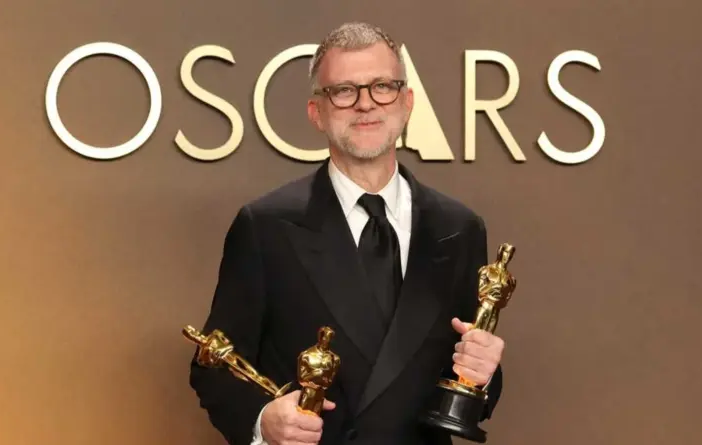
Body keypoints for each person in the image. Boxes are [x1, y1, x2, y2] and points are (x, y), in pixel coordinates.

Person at [189, 21, 506, 445]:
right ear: (316, 112)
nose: (365, 105)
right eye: (344, 91)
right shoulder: (265, 226)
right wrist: (263, 421)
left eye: (382, 87)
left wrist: (484, 374)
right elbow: (213, 364)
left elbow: (463, 378)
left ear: (406, 102)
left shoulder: (459, 228)